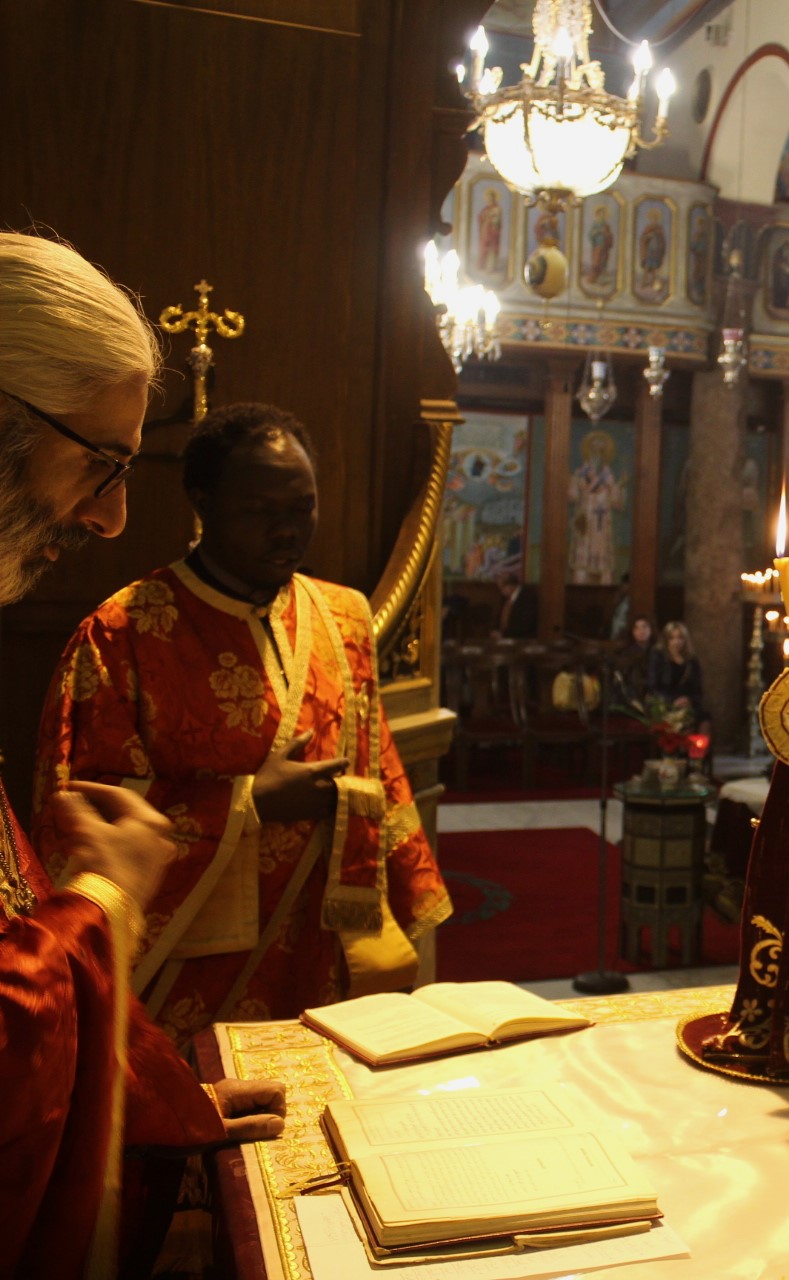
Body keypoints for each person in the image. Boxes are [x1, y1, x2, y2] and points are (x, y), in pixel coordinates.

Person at [0, 231, 283, 1277]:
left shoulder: (332, 615)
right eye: (99, 464)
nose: (112, 515)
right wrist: (105, 897)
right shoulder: (122, 628)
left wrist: (161, 1106)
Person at [35, 402, 452, 1045]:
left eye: (303, 508)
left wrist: (413, 900)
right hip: (188, 971)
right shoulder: (125, 632)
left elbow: (379, 765)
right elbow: (82, 812)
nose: (287, 531)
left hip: (319, 946)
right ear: (205, 503)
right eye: (260, 510)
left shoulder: (344, 616)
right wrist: (249, 802)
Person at [648, 620, 708, 733]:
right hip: (665, 703)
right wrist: (672, 700)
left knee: (704, 719)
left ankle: (699, 745)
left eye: (680, 638)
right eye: (672, 638)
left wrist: (689, 700)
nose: (676, 642)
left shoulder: (692, 661)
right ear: (666, 640)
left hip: (687, 703)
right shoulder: (658, 657)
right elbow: (653, 687)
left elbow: (698, 690)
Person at [497, 567, 537, 637]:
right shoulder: (504, 598)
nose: (501, 592)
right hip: (503, 639)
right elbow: (499, 617)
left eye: (501, 588)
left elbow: (526, 624)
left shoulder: (528, 597)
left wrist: (504, 634)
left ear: (510, 586)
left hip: (522, 639)